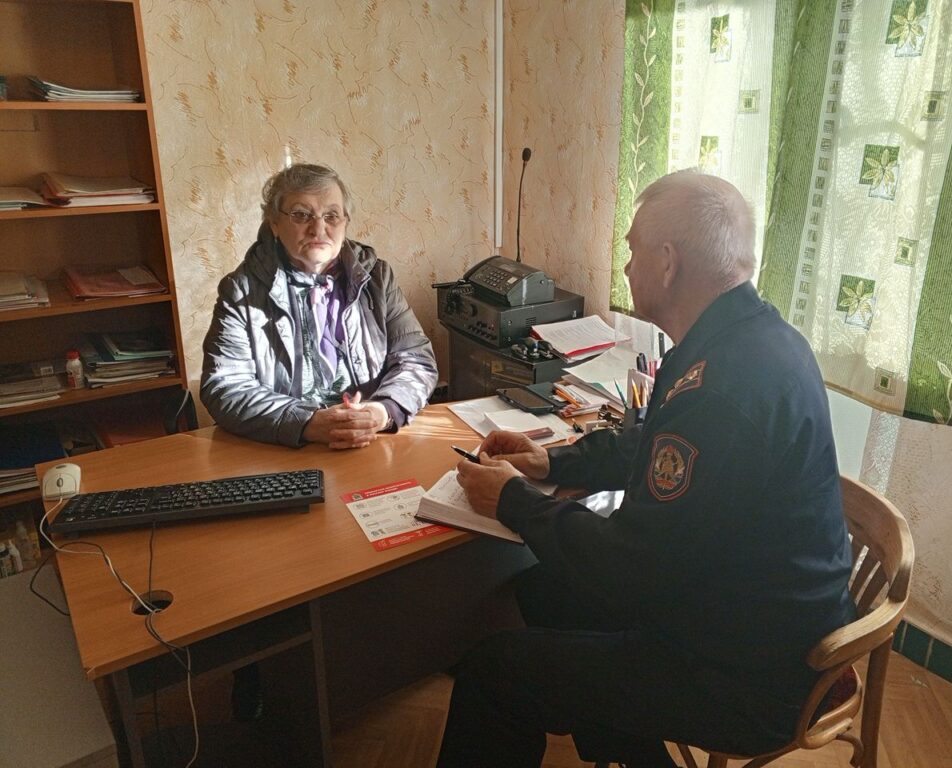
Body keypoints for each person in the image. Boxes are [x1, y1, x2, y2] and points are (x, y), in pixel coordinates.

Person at [435, 170, 856, 767]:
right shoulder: (749, 338)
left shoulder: (721, 388)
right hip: (744, 610)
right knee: (542, 592)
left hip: (749, 671)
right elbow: (651, 446)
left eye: (632, 250)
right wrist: (550, 458)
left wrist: (512, 500)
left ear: (667, 262)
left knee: (492, 672)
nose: (627, 266)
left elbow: (632, 568)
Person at [201, 162, 438, 449]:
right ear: (274, 223)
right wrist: (307, 422)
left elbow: (416, 360)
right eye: (301, 215)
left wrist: (381, 411)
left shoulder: (377, 278)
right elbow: (226, 387)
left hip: (371, 440)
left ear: (345, 221)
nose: (318, 229)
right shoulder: (241, 290)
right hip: (284, 447)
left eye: (331, 216)